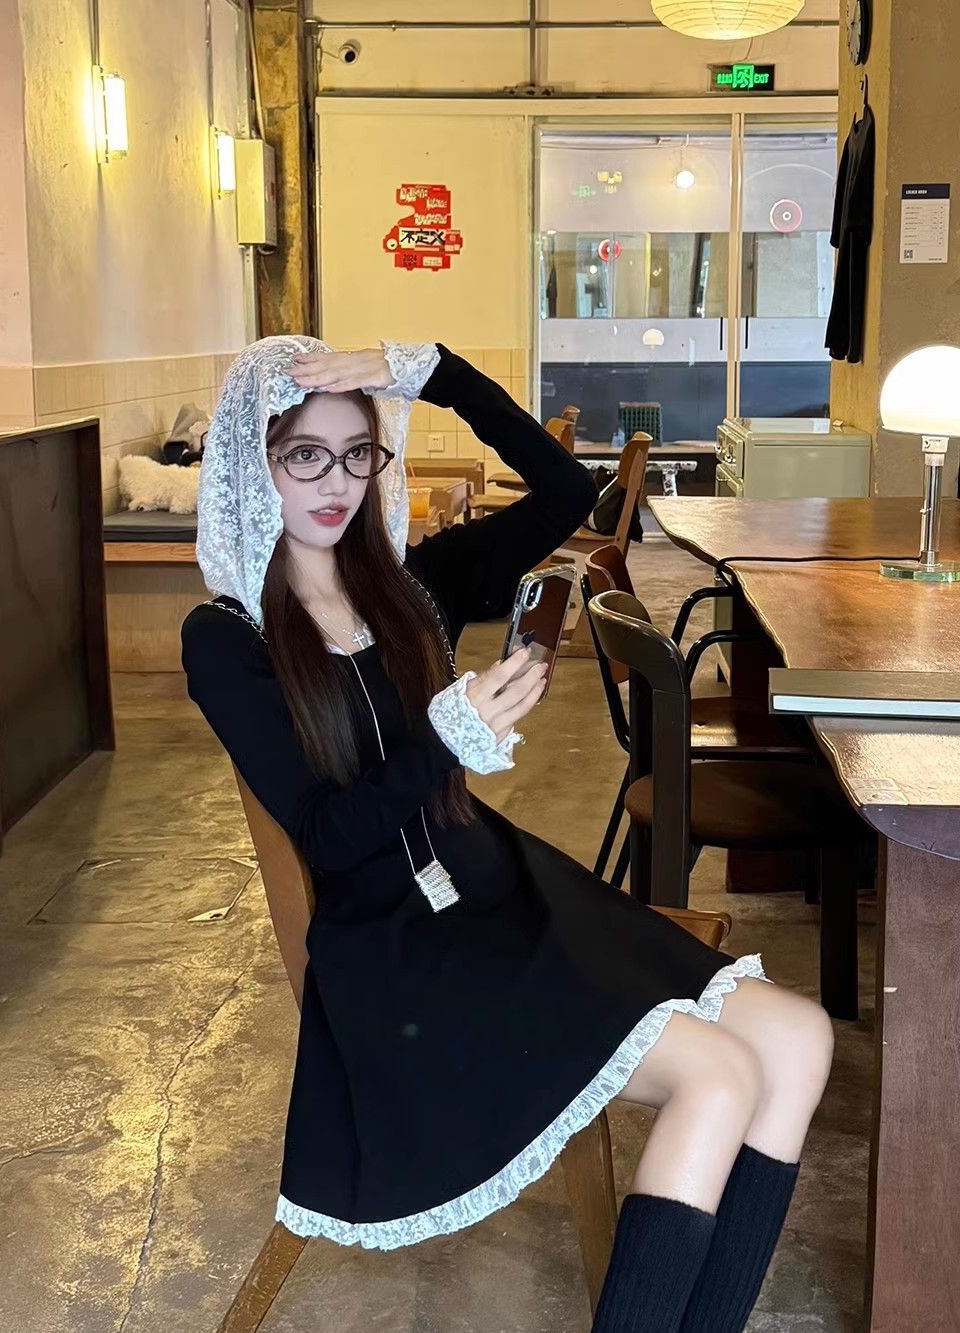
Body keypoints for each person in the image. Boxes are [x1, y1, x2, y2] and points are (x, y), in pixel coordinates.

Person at [182, 337, 834, 1332]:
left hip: (502, 893)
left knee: (799, 1035)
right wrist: (445, 738)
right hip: (398, 948)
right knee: (720, 1073)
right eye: (303, 455)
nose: (336, 482)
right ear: (250, 461)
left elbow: (567, 488)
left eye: (357, 453)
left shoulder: (410, 585)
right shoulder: (228, 638)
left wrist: (428, 369)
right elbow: (328, 836)